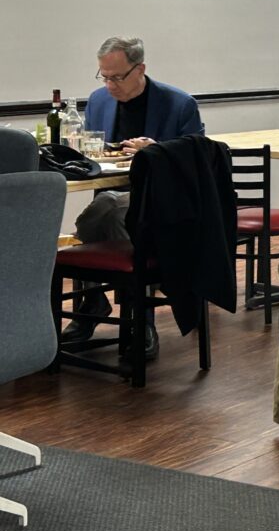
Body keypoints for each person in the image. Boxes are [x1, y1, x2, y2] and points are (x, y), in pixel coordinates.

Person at [63, 36, 205, 359]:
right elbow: (92, 151)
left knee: (107, 212)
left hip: (164, 206)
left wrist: (157, 151)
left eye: (117, 77)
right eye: (104, 76)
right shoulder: (98, 102)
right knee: (111, 209)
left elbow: (198, 163)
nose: (109, 85)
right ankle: (136, 318)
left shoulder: (179, 105)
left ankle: (100, 304)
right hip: (113, 194)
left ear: (140, 69)